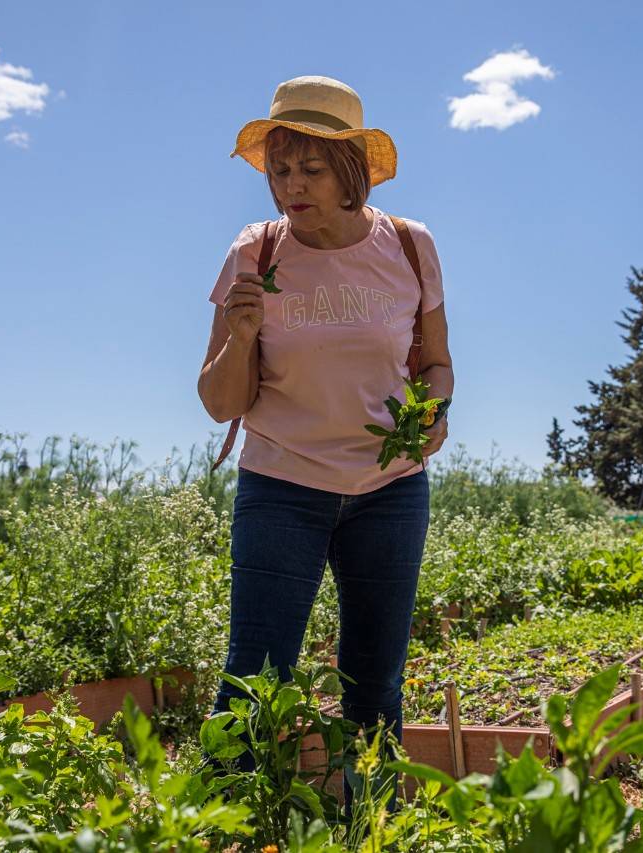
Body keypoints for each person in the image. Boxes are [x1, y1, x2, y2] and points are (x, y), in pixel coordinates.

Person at [197, 75, 455, 793]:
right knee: (255, 671)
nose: (291, 187)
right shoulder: (255, 253)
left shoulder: (409, 245)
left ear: (352, 172)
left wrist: (433, 413)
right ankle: (220, 824)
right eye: (280, 170)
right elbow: (220, 403)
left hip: (389, 492)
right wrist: (240, 333)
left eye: (310, 168)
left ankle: (370, 822)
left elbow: (436, 365)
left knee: (375, 678)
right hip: (280, 485)